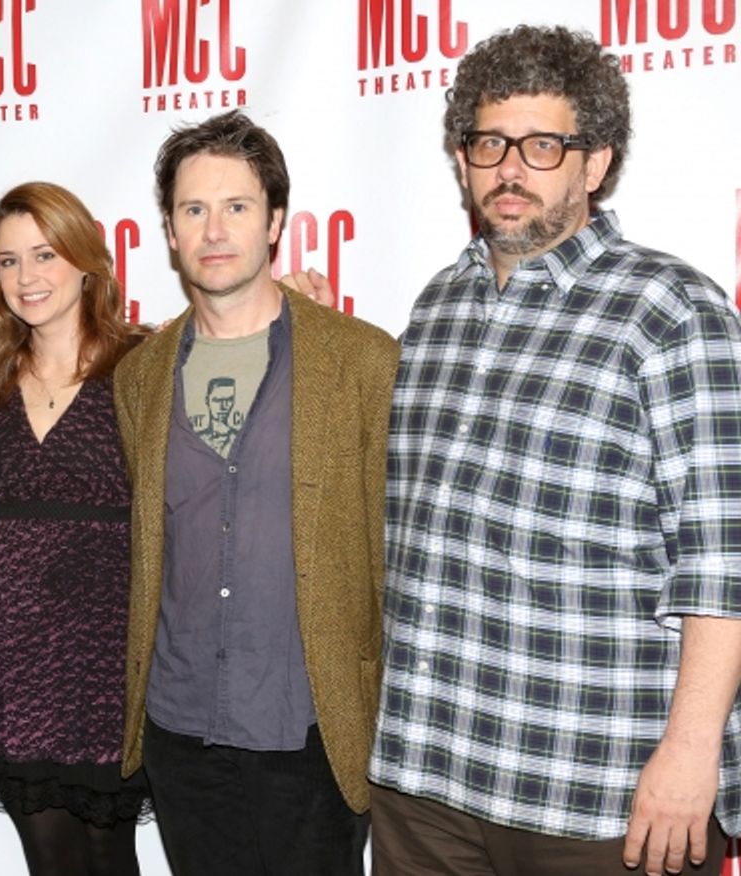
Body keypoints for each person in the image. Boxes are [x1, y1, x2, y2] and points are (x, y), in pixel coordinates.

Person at [368, 24, 741, 876]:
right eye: (489, 142)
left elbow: (723, 564)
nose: (509, 169)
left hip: (595, 794)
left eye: (542, 146)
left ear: (595, 163)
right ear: (461, 156)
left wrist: (691, 758)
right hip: (424, 779)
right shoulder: (435, 310)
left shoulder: (672, 311)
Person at [113, 109, 399, 876]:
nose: (214, 229)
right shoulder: (139, 376)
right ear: (168, 231)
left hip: (310, 735)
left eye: (236, 206)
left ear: (276, 221)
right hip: (180, 731)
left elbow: (394, 555)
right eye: (192, 209)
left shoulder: (363, 361)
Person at [0, 181, 149, 876]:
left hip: (105, 646)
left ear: (85, 258)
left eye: (44, 255)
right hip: (14, 652)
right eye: (9, 261)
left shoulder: (141, 363)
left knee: (109, 853)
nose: (27, 277)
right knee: (51, 860)